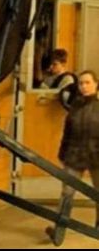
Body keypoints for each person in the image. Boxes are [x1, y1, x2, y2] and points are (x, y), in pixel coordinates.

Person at [45, 70, 99, 246]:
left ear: (96, 84)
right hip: (74, 155)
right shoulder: (75, 106)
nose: (84, 86)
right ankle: (59, 229)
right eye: (81, 83)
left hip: (97, 156)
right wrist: (63, 152)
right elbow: (67, 133)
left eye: (88, 82)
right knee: (66, 194)